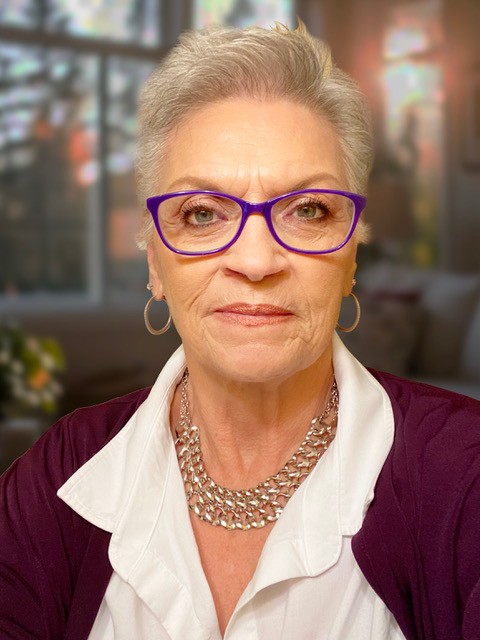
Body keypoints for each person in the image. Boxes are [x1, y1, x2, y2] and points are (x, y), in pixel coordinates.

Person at [0, 21, 479, 640]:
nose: (255, 261)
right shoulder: (56, 477)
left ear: (351, 257)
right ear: (155, 262)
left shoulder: (465, 475)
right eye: (202, 213)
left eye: (309, 210)